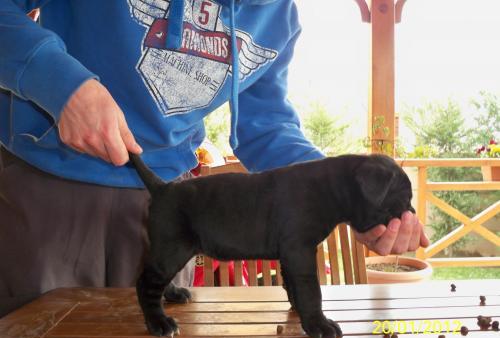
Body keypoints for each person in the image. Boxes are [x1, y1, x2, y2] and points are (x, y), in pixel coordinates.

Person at [0, 0, 429, 318]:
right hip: (48, 189)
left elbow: (267, 129)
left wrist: (351, 199)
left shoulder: (279, 17)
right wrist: (62, 85)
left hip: (170, 206)